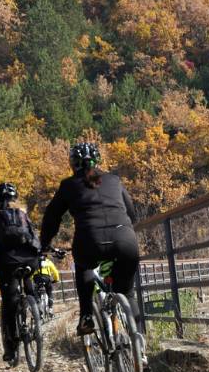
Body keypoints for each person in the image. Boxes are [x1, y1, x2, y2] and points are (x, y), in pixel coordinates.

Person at [39, 142, 140, 340]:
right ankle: (141, 346)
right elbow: (132, 213)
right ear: (98, 161)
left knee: (84, 267)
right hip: (125, 239)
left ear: (73, 164)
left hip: (90, 241)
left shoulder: (68, 185)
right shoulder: (114, 180)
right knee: (127, 293)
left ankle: (86, 317)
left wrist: (44, 244)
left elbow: (51, 219)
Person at [0, 182, 41, 366]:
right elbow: (35, 237)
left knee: (9, 302)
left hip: (8, 263)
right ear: (15, 199)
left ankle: (11, 350)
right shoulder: (23, 215)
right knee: (28, 280)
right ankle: (35, 308)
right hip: (30, 260)